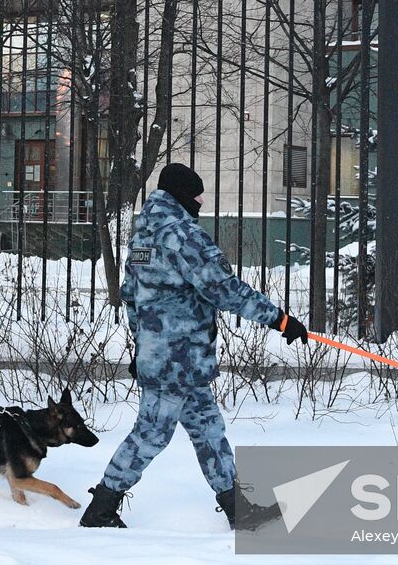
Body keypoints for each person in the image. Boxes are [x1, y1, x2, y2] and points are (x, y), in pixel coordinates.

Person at [79, 162, 308, 531]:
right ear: (182, 195)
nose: (201, 199)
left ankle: (239, 511)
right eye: (197, 193)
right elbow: (224, 290)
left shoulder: (144, 237)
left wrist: (143, 348)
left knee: (208, 430)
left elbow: (130, 298)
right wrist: (278, 319)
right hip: (179, 360)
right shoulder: (183, 236)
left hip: (169, 358)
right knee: (151, 434)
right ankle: (101, 508)